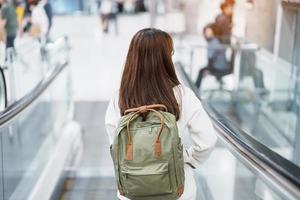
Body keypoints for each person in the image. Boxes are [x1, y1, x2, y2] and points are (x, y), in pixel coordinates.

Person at [105, 28, 218, 200]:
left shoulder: (120, 97)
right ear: (165, 57)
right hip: (177, 191)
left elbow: (115, 144)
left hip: (132, 191)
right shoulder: (182, 95)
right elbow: (207, 141)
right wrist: (187, 159)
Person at [195, 24, 232, 89]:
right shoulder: (216, 41)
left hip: (220, 68)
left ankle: (196, 89)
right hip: (223, 66)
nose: (207, 34)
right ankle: (220, 85)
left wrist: (208, 70)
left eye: (209, 33)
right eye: (206, 33)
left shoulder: (213, 42)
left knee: (201, 71)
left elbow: (211, 59)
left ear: (213, 33)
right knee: (204, 69)